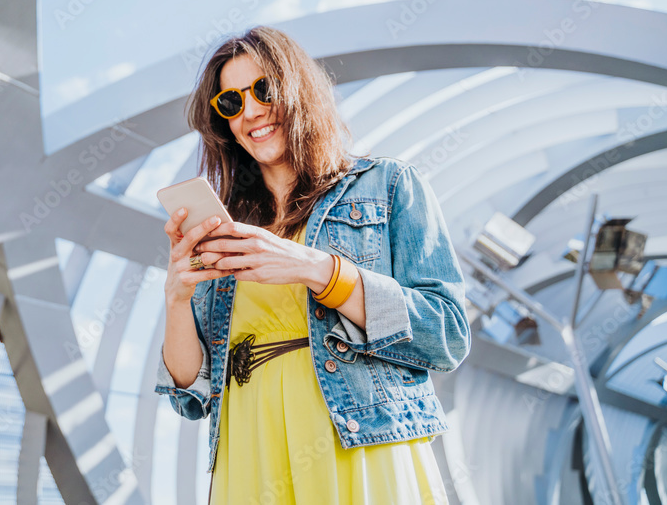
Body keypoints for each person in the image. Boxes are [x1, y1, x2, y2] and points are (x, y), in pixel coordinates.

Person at [154, 26, 470, 504]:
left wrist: (316, 268)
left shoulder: (387, 185)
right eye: (231, 103)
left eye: (264, 90)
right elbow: (189, 393)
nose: (252, 112)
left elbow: (446, 334)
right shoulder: (228, 231)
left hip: (355, 439)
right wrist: (177, 299)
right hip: (247, 449)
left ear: (297, 89)